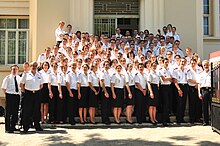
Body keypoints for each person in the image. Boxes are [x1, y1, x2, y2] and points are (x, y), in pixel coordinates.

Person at [20, 62, 43, 133]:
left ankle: (37, 126)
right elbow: (21, 84)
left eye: (35, 66)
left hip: (36, 94)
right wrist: (25, 91)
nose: (34, 67)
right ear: (30, 66)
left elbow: (41, 85)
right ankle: (25, 127)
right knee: (27, 111)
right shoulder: (26, 74)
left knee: (36, 110)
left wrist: (36, 90)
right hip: (28, 94)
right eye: (32, 65)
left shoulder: (39, 75)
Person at [2, 65, 21, 133]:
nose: (14, 71)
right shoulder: (7, 78)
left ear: (17, 70)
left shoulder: (19, 78)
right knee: (8, 112)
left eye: (16, 69)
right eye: (13, 69)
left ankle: (13, 127)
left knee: (15, 112)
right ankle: (7, 128)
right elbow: (3, 88)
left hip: (16, 96)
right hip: (10, 95)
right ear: (11, 70)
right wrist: (7, 95)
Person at [187, 59, 203, 124]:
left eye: (194, 63)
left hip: (198, 87)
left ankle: (198, 117)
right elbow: (189, 79)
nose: (193, 64)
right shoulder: (189, 70)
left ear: (196, 63)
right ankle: (192, 118)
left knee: (198, 103)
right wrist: (197, 83)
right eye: (192, 63)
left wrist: (198, 84)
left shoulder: (199, 70)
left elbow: (202, 78)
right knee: (192, 103)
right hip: (192, 88)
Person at [173, 58, 188, 124]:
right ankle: (178, 119)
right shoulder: (176, 70)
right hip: (179, 86)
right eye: (181, 61)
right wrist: (179, 89)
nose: (182, 63)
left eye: (184, 62)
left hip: (185, 86)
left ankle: (182, 118)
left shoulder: (186, 70)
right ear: (179, 62)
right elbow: (175, 80)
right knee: (179, 103)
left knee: (184, 103)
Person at [159, 58, 173, 126]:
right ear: (163, 62)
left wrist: (169, 78)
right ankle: (164, 120)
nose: (166, 63)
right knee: (165, 104)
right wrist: (169, 78)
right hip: (163, 87)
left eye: (167, 62)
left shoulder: (169, 70)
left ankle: (167, 119)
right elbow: (164, 79)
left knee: (169, 104)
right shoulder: (161, 70)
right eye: (165, 62)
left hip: (169, 87)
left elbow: (172, 79)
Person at [197, 60, 211, 126]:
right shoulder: (200, 74)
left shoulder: (212, 72)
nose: (206, 66)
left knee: (212, 106)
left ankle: (214, 122)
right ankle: (206, 121)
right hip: (204, 90)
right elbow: (199, 84)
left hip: (211, 90)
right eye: (204, 65)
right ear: (203, 66)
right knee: (204, 107)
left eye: (207, 64)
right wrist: (199, 93)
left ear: (209, 65)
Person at [100, 60, 112, 125]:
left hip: (109, 88)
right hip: (105, 89)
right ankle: (104, 119)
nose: (107, 66)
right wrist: (105, 91)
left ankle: (107, 118)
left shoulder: (108, 72)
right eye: (105, 65)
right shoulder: (103, 72)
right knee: (104, 105)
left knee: (108, 105)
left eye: (108, 65)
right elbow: (101, 82)